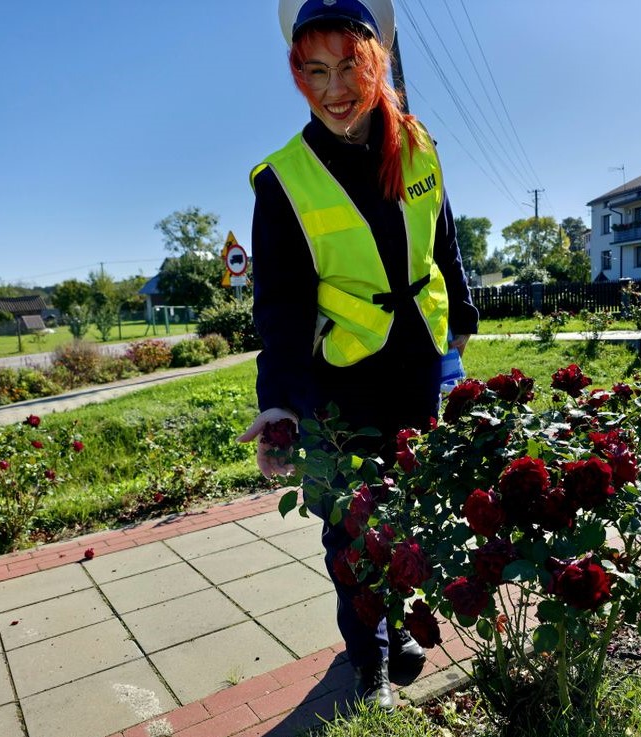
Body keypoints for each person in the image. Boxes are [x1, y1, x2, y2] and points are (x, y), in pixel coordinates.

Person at [239, 0, 478, 711]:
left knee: (407, 510)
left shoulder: (419, 143)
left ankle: (397, 625)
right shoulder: (282, 180)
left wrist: (460, 317)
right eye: (314, 71)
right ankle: (367, 659)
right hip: (337, 378)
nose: (335, 88)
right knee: (350, 525)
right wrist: (276, 400)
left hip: (416, 362)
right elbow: (278, 304)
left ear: (377, 63)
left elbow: (444, 240)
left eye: (349, 65)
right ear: (298, 78)